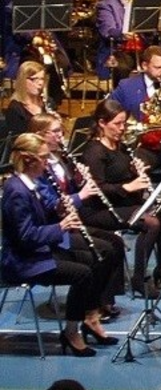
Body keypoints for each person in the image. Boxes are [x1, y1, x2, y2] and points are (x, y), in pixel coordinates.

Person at [1, 133, 121, 357]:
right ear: (29, 160)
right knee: (82, 273)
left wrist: (58, 210)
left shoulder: (31, 183)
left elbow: (42, 214)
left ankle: (90, 318)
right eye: (44, 158)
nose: (47, 163)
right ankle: (71, 332)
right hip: (23, 261)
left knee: (96, 259)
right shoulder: (16, 190)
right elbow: (25, 236)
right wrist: (61, 227)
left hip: (39, 251)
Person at [78, 100, 161, 299]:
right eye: (117, 124)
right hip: (99, 210)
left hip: (123, 204)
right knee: (151, 222)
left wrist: (135, 173)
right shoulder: (94, 151)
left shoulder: (121, 146)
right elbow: (96, 189)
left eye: (124, 123)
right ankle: (139, 279)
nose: (122, 129)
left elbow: (126, 179)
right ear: (102, 123)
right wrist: (127, 186)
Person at [108, 46, 161, 167]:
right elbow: (109, 111)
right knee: (133, 166)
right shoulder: (126, 86)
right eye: (158, 68)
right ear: (144, 66)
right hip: (142, 145)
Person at [6, 0, 70, 97]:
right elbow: (19, 34)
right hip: (22, 50)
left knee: (62, 62)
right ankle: (32, 100)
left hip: (45, 47)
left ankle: (53, 102)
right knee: (35, 65)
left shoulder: (47, 5)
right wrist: (34, 38)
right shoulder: (12, 8)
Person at [95, 0, 144, 82]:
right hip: (119, 49)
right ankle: (121, 98)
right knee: (122, 67)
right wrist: (122, 34)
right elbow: (107, 30)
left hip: (140, 47)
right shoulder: (106, 5)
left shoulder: (139, 2)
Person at [4, 61, 51, 133]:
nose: (40, 83)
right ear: (23, 80)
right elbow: (18, 140)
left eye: (42, 79)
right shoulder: (15, 109)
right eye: (35, 79)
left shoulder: (48, 102)